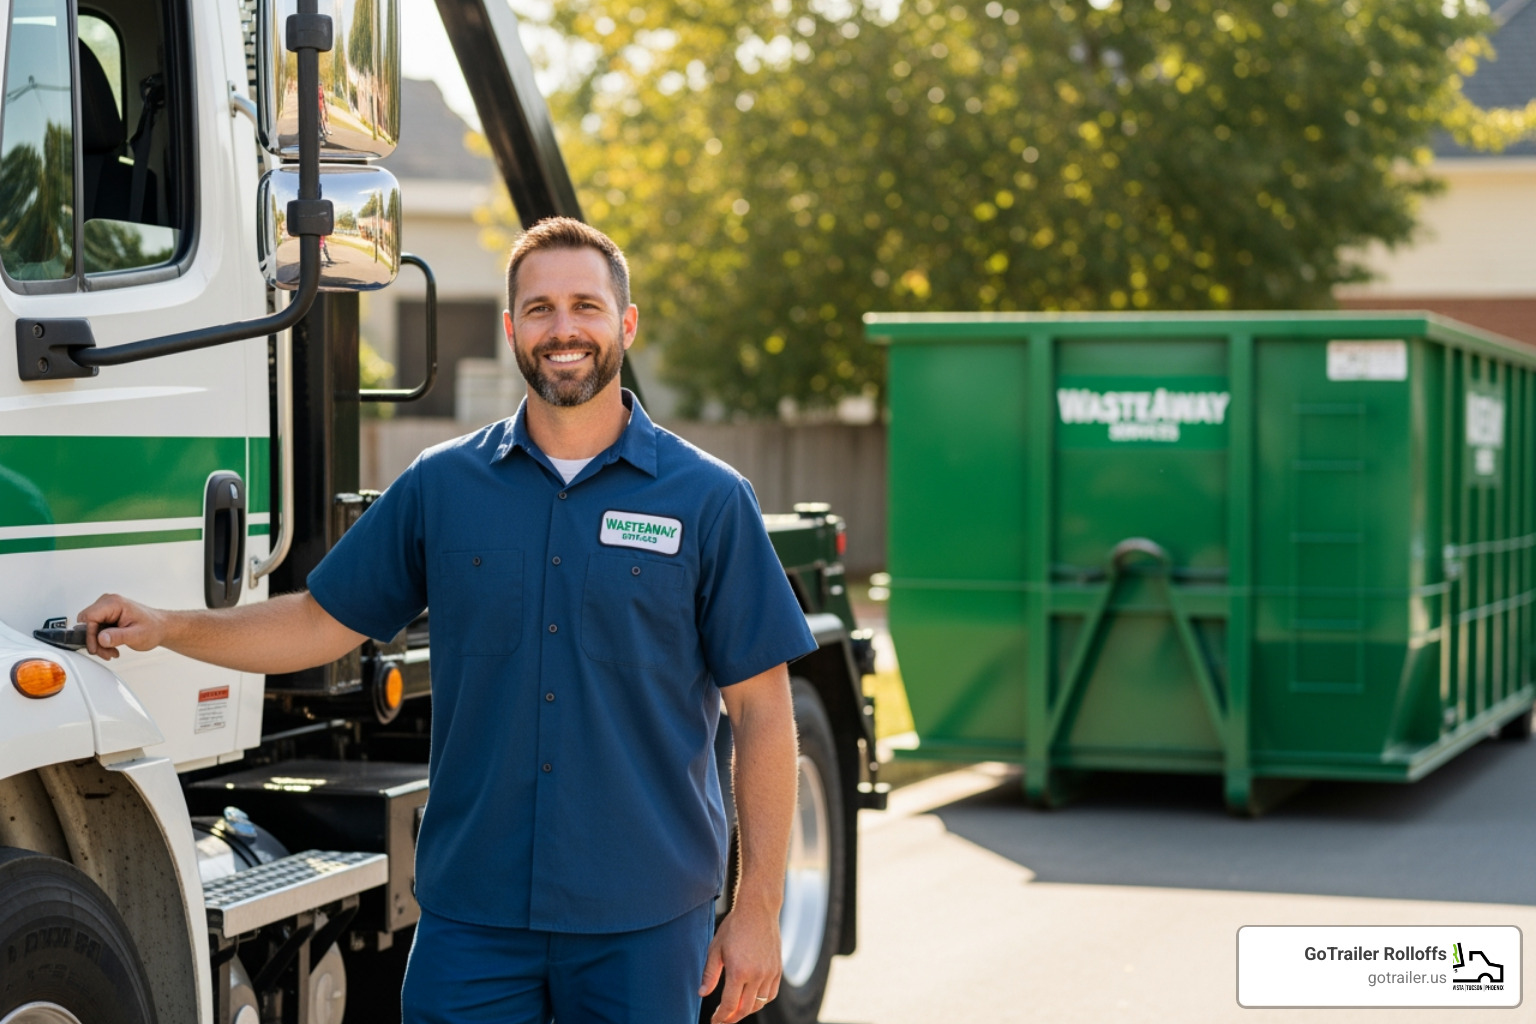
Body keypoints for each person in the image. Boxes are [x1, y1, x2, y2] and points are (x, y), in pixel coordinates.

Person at [78, 217, 816, 1024]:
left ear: (626, 324)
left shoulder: (707, 499)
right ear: (510, 329)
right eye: (538, 309)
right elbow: (321, 623)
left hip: (643, 918)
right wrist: (170, 626)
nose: (562, 329)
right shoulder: (444, 486)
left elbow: (763, 714)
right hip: (475, 918)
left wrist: (758, 909)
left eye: (585, 306)